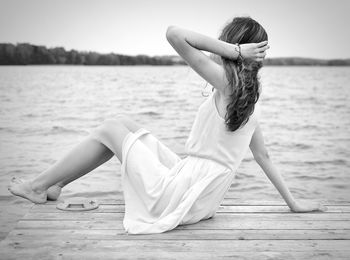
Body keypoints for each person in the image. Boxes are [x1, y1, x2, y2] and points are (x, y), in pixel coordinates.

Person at [8, 17, 327, 234]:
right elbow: (264, 157)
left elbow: (174, 34)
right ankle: (56, 185)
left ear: (234, 47)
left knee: (110, 129)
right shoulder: (248, 96)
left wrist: (234, 52)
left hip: (180, 193)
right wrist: (294, 204)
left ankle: (37, 187)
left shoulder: (226, 81)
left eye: (226, 44)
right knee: (124, 125)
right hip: (199, 196)